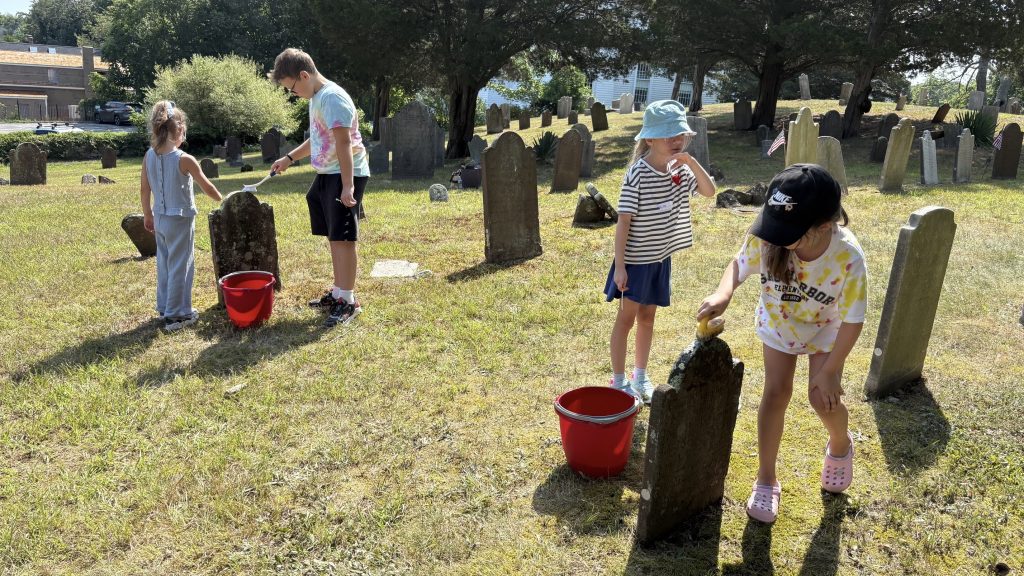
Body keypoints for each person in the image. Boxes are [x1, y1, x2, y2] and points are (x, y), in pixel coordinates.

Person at [696, 164, 868, 524]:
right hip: (779, 321)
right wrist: (723, 293)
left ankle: (840, 443)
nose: (773, 236)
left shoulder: (847, 256)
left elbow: (853, 319)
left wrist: (832, 370)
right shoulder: (770, 235)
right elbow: (738, 265)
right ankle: (766, 478)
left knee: (822, 398)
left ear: (823, 226)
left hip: (826, 329)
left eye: (786, 231)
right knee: (775, 394)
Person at [605, 100, 716, 403]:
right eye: (668, 135)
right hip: (635, 262)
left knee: (648, 319)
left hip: (659, 259)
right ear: (650, 139)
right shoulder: (637, 174)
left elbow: (709, 192)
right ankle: (618, 382)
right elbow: (623, 222)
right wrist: (620, 266)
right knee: (626, 320)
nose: (676, 141)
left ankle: (639, 376)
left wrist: (692, 162)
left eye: (679, 134)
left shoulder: (678, 170)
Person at [269, 48, 370, 327]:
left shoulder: (333, 98)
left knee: (344, 238)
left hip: (344, 174)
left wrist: (348, 186)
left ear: (304, 75)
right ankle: (338, 293)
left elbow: (344, 143)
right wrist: (289, 158)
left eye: (292, 88)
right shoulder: (316, 98)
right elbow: (318, 139)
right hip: (328, 173)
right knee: (334, 235)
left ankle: (349, 301)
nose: (293, 94)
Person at [141, 100, 223, 331]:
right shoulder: (184, 159)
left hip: (159, 218)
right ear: (177, 129)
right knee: (181, 265)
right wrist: (223, 199)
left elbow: (144, 189)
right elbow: (207, 187)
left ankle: (164, 307)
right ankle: (177, 315)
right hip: (180, 219)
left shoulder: (149, 155)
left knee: (165, 264)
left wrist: (148, 214)